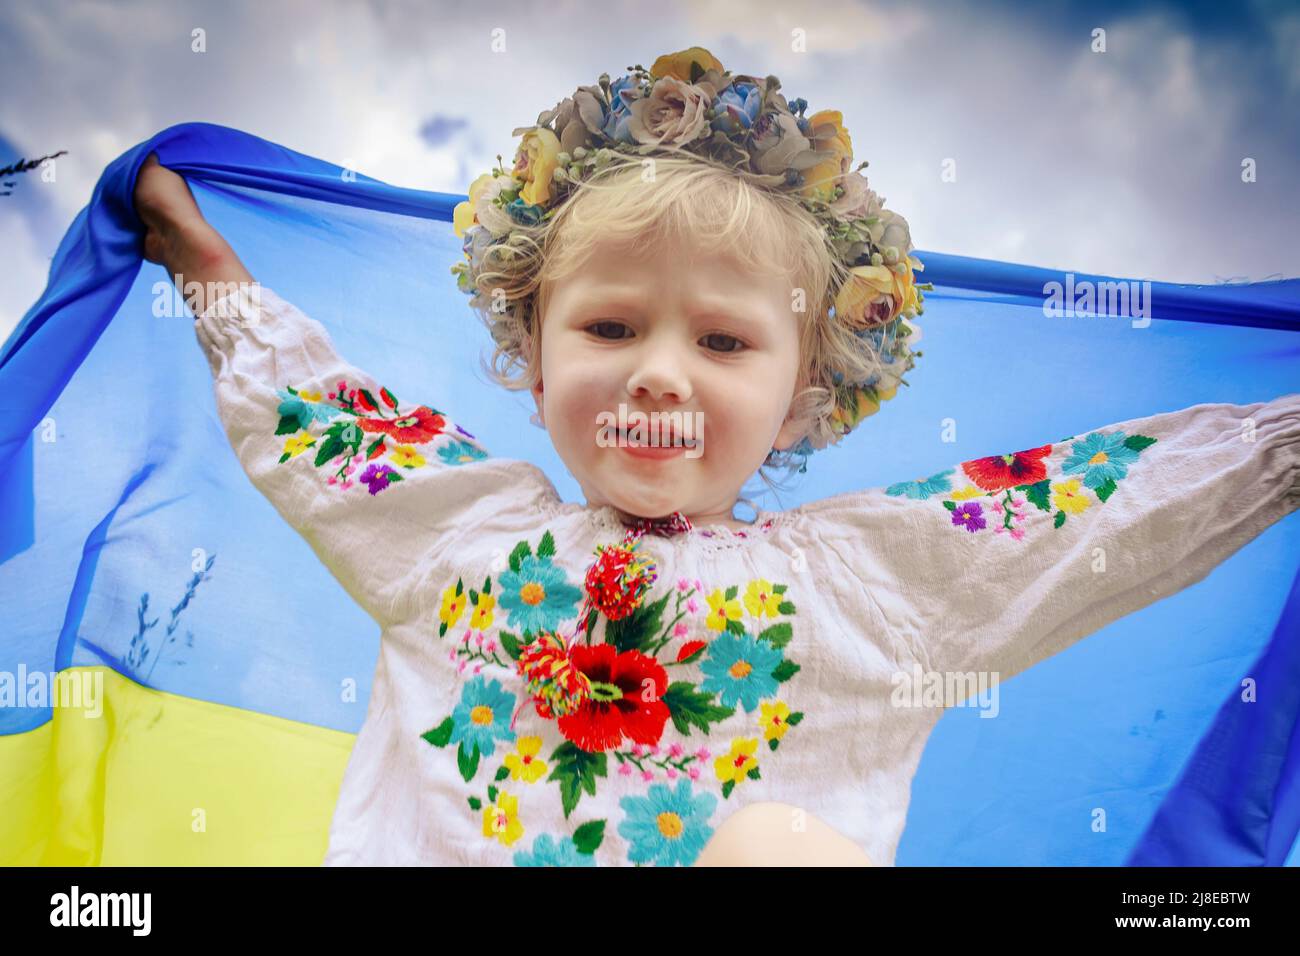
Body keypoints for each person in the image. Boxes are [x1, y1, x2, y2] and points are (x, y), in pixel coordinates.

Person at [131, 47, 1299, 867]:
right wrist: (200, 261)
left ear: (802, 398)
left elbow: (1098, 505)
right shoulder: (454, 531)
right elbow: (310, 411)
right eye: (608, 326)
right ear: (531, 366)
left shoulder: (865, 587)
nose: (660, 371)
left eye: (725, 341)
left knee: (773, 849)